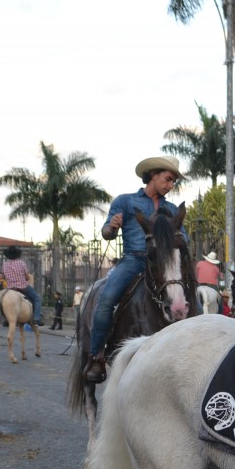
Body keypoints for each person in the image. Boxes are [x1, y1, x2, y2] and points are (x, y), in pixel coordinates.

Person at [83, 155, 186, 384]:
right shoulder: (126, 202)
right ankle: (96, 356)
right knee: (106, 300)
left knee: (192, 299)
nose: (170, 185)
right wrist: (112, 227)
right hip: (134, 260)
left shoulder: (171, 209)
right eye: (168, 179)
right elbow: (106, 233)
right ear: (153, 175)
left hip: (162, 263)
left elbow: (183, 239)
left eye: (173, 182)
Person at [1, 245, 43, 326]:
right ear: (17, 254)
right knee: (37, 298)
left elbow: (4, 277)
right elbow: (27, 277)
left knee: (1, 300)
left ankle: (5, 318)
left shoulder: (4, 265)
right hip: (23, 287)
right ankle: (36, 318)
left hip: (10, 289)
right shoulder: (22, 263)